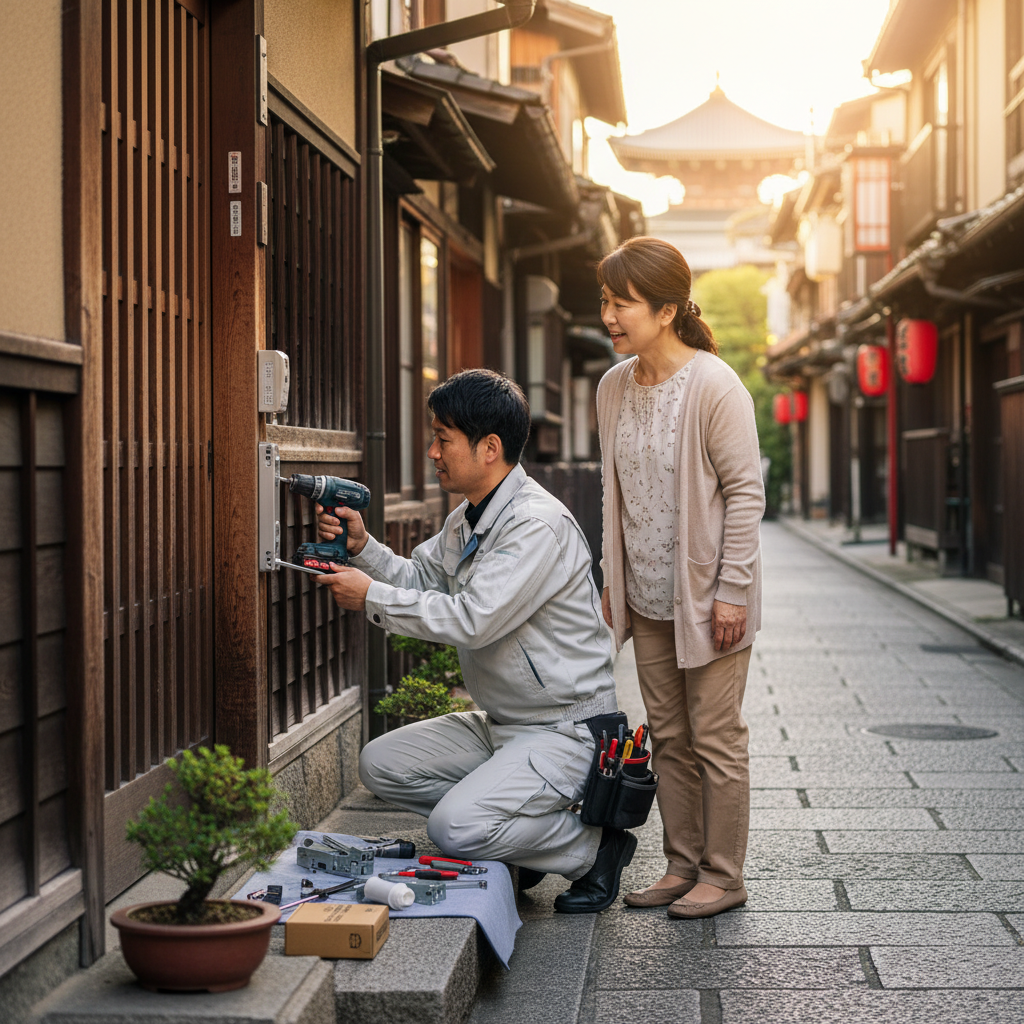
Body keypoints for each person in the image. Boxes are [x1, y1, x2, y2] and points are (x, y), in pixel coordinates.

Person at [314, 368, 636, 913]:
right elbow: (420, 581)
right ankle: (524, 844)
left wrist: (369, 596)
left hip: (565, 729)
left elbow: (474, 619)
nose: (432, 451)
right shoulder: (471, 515)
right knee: (380, 765)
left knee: (454, 829)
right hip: (502, 724)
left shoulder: (535, 524)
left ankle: (592, 850)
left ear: (489, 448)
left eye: (443, 438)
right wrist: (364, 547)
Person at [595, 236, 764, 919]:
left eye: (622, 303)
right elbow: (616, 494)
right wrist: (615, 582)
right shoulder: (612, 387)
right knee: (667, 736)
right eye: (603, 301)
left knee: (715, 736)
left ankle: (724, 876)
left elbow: (746, 492)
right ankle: (681, 865)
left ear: (666, 310)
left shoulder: (714, 384)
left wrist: (732, 590)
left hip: (710, 597)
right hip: (648, 595)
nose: (608, 316)